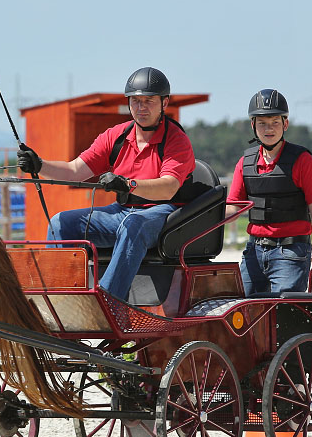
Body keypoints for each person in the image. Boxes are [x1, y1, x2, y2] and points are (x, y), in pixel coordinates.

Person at [16, 67, 196, 301]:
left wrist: (128, 184)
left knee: (134, 224)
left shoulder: (176, 140)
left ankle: (108, 302)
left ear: (164, 103)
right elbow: (74, 170)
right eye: (135, 101)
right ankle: (59, 299)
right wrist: (39, 165)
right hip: (121, 212)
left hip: (162, 214)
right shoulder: (116, 136)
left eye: (149, 101)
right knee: (59, 223)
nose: (141, 108)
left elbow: (169, 186)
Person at [227, 89, 312, 295]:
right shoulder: (244, 163)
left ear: (285, 124)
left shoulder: (302, 161)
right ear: (253, 125)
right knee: (240, 307)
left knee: (283, 311)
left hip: (291, 252)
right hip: (254, 251)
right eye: (262, 123)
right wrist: (205, 215)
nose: (269, 128)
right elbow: (233, 208)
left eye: (274, 122)